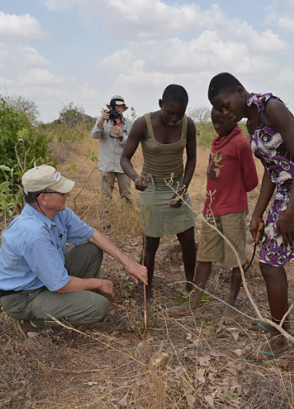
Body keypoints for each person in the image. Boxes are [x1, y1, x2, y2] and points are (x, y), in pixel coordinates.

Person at [208, 72, 294, 360]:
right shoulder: (250, 124)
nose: (224, 112)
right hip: (285, 191)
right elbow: (272, 171)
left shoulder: (271, 108)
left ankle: (279, 338)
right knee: (268, 261)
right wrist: (258, 213)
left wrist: (290, 212)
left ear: (239, 91)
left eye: (225, 105)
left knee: (270, 264)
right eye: (219, 109)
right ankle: (280, 325)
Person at [0, 165, 147, 339]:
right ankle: (34, 325)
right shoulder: (33, 234)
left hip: (41, 279)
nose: (67, 194)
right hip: (23, 297)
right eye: (61, 192)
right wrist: (98, 283)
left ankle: (74, 304)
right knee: (98, 306)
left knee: (91, 250)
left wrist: (127, 262)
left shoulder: (58, 213)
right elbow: (59, 284)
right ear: (43, 199)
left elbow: (92, 236)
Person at [174, 107, 258, 321]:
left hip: (232, 210)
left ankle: (230, 306)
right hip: (211, 209)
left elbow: (252, 181)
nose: (217, 127)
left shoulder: (241, 144)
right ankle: (194, 302)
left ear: (233, 118)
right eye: (214, 123)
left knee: (235, 259)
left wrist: (233, 192)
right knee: (204, 256)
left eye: (220, 123)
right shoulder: (216, 140)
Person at [120, 84, 197, 304]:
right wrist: (135, 177)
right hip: (150, 189)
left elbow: (192, 159)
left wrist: (183, 188)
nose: (174, 119)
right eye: (170, 113)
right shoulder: (142, 124)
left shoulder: (188, 125)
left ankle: (190, 287)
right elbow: (124, 158)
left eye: (179, 114)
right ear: (160, 104)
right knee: (150, 246)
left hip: (177, 190)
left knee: (188, 241)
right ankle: (146, 291)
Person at [91, 95, 133, 221]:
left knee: (126, 195)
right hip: (106, 165)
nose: (117, 109)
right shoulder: (102, 121)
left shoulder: (129, 124)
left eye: (119, 107)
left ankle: (128, 220)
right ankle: (105, 221)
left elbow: (132, 144)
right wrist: (101, 121)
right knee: (106, 195)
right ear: (109, 108)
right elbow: (94, 135)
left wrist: (121, 135)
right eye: (114, 107)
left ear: (124, 109)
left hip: (123, 165)